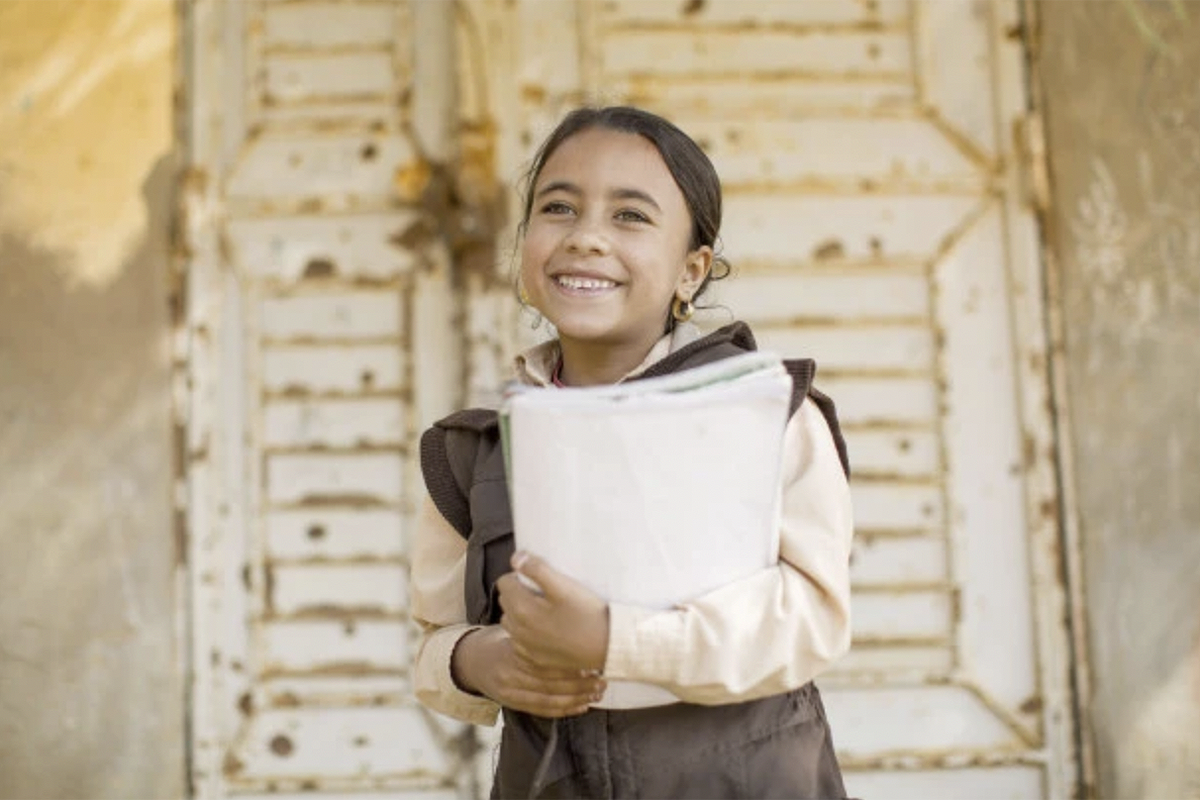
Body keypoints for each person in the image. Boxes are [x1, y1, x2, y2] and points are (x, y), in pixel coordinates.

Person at [409, 106, 855, 800]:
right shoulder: (473, 451)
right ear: (525, 244)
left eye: (630, 217)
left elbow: (810, 622)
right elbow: (434, 641)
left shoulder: (768, 415)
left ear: (691, 269)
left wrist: (614, 641)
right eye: (558, 208)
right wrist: (479, 661)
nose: (586, 237)